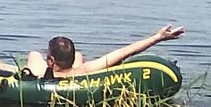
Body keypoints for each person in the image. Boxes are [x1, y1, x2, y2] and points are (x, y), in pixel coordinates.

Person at [24, 23, 186, 79]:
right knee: (80, 55)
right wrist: (157, 37)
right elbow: (125, 52)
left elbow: (5, 72)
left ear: (51, 61)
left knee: (34, 54)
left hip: (51, 76)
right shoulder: (84, 71)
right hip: (75, 72)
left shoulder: (39, 73)